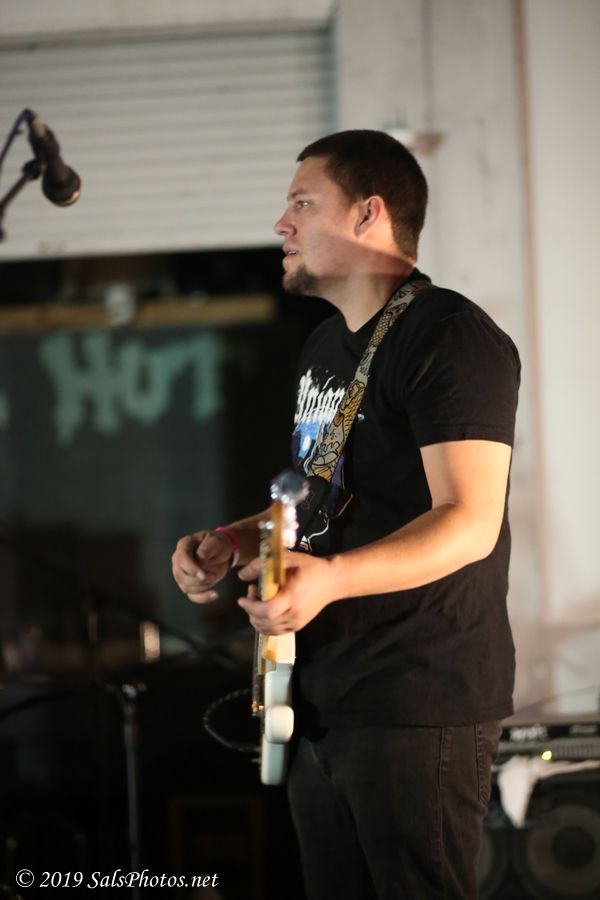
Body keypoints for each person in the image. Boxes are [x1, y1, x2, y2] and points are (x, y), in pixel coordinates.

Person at [172, 130, 520, 900]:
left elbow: (470, 520)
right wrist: (232, 541)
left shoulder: (449, 335)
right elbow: (315, 502)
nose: (281, 224)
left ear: (369, 214)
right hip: (324, 696)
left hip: (415, 694)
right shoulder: (326, 346)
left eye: (302, 203)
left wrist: (329, 581)